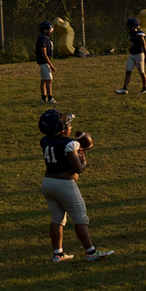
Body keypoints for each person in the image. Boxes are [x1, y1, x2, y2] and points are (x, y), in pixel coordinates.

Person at [38, 108, 110, 263]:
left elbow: (60, 154)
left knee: (57, 219)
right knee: (80, 218)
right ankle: (91, 251)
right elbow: (78, 169)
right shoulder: (70, 144)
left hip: (48, 183)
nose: (69, 125)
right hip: (65, 184)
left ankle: (58, 254)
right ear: (61, 129)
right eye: (66, 123)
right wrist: (84, 161)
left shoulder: (45, 141)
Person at [117, 16, 146, 94]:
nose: (128, 27)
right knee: (128, 71)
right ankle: (124, 88)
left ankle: (145, 88)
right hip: (132, 54)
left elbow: (144, 46)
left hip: (139, 54)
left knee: (141, 72)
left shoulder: (139, 34)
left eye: (130, 26)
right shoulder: (131, 34)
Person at [36, 20, 57, 103]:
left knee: (43, 80)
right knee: (49, 80)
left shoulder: (43, 38)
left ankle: (44, 98)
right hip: (44, 62)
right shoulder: (44, 38)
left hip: (42, 62)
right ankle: (50, 98)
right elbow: (44, 53)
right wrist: (51, 65)